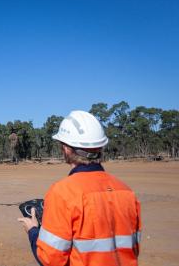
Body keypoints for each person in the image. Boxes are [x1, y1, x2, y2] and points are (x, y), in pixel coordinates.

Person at [18, 110, 141, 266]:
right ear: (100, 147)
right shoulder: (127, 192)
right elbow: (132, 249)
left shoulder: (63, 193)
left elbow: (50, 259)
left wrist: (33, 231)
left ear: (67, 149)